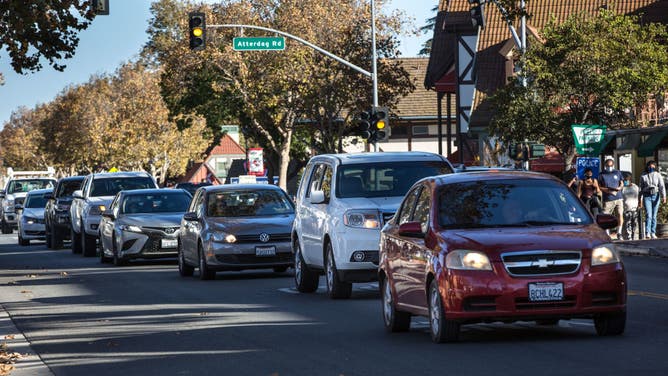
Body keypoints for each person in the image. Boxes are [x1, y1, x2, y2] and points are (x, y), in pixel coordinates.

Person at [639, 160, 666, 239]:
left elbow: (661, 186)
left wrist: (664, 196)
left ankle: (653, 232)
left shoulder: (657, 175)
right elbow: (640, 188)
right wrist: (639, 199)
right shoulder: (643, 175)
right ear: (647, 166)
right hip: (646, 195)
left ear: (655, 166)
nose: (651, 167)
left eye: (653, 166)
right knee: (648, 215)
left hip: (655, 195)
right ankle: (647, 232)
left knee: (654, 215)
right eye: (650, 166)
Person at [598, 159, 624, 239]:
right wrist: (608, 190)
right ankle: (607, 234)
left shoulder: (617, 172)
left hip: (619, 197)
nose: (610, 167)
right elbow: (599, 186)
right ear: (605, 166)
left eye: (611, 166)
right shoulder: (602, 174)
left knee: (620, 214)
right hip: (608, 199)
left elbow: (622, 182)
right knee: (606, 217)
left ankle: (619, 233)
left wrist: (619, 188)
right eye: (608, 166)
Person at [621, 172, 640, 240]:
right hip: (626, 210)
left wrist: (640, 205)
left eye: (627, 179)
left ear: (630, 179)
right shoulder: (623, 188)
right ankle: (628, 236)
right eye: (624, 180)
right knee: (627, 224)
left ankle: (635, 237)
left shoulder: (635, 187)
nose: (625, 181)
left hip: (634, 209)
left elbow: (639, 197)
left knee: (634, 223)